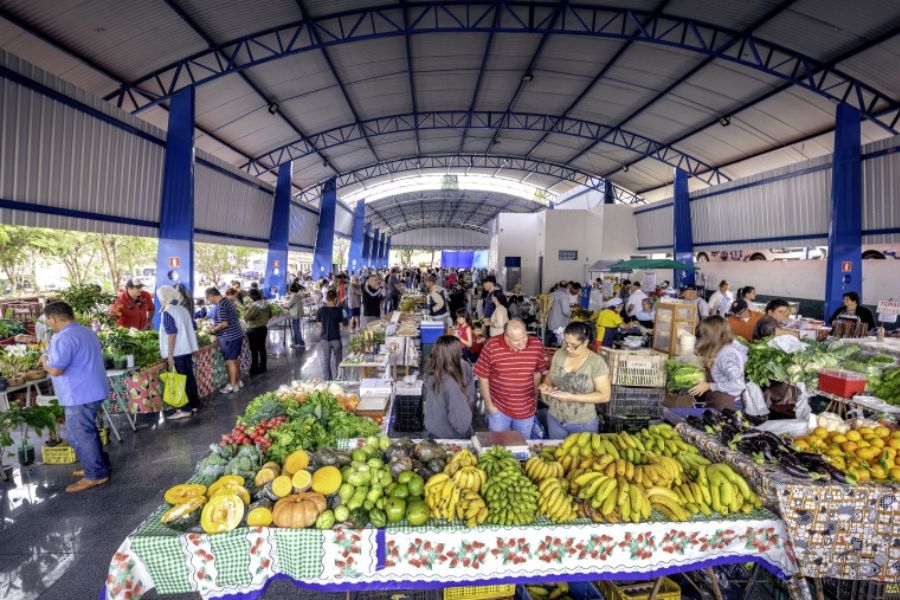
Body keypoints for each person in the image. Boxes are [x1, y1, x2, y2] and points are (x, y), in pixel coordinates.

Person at [40, 301, 111, 493]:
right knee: (85, 431)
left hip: (79, 394)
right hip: (93, 390)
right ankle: (97, 464)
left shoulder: (62, 338)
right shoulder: (86, 331)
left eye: (49, 321)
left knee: (80, 434)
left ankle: (95, 474)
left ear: (53, 318)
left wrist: (44, 361)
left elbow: (55, 369)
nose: (50, 324)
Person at [474, 319, 548, 439]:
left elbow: (537, 374)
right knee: (498, 448)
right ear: (506, 336)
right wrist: (489, 405)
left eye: (524, 338)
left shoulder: (536, 344)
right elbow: (482, 376)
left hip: (526, 410)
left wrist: (534, 400)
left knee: (522, 447)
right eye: (516, 341)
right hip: (499, 409)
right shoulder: (492, 345)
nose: (522, 344)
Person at [539, 321, 612, 439]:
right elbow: (549, 378)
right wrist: (547, 386)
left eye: (573, 345)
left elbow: (604, 396)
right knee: (557, 455)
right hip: (555, 419)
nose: (568, 348)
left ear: (586, 342)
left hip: (583, 423)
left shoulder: (596, 363)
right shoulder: (559, 354)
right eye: (565, 343)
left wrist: (572, 397)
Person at [156, 285, 200, 419]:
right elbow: (193, 326)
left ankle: (185, 409)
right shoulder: (183, 309)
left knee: (181, 380)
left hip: (177, 351)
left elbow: (172, 334)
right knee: (189, 378)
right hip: (187, 349)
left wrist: (170, 355)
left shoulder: (168, 312)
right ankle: (194, 405)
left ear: (164, 297)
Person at [689, 316, 748, 411]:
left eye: (703, 334)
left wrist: (709, 386)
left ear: (711, 336)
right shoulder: (720, 348)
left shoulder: (727, 355)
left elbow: (739, 384)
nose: (700, 337)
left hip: (728, 405)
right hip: (718, 400)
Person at [423, 335, 475, 439]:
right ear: (453, 355)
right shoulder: (452, 384)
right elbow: (461, 422)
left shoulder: (431, 374)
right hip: (452, 438)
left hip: (433, 433)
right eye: (458, 350)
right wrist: (466, 429)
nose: (461, 353)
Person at [206, 287, 244, 393]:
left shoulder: (221, 305)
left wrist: (213, 330)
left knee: (230, 361)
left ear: (211, 296)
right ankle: (237, 381)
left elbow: (224, 323)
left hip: (229, 337)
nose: (209, 301)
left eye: (208, 299)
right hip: (237, 334)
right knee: (235, 359)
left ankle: (232, 385)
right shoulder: (228, 301)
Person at [316, 290, 344, 381]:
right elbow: (341, 326)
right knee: (338, 360)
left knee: (326, 360)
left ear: (326, 298)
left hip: (324, 339)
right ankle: (339, 378)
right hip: (336, 338)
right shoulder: (338, 310)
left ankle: (327, 380)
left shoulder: (320, 310)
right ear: (335, 299)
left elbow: (319, 324)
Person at [244, 288, 272, 375]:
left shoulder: (254, 306)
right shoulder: (266, 304)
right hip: (263, 328)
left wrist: (247, 309)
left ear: (251, 296)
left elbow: (247, 317)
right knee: (262, 348)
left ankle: (254, 368)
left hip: (253, 329)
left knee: (254, 349)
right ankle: (263, 366)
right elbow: (270, 315)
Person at [285, 283, 306, 348]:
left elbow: (288, 305)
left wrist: (285, 305)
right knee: (296, 328)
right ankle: (297, 343)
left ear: (291, 289)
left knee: (296, 329)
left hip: (295, 314)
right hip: (298, 313)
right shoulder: (298, 295)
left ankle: (301, 343)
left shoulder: (294, 296)